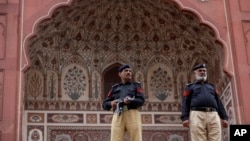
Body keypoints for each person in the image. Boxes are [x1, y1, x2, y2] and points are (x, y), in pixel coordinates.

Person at [180, 64, 229, 141]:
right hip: (197, 114)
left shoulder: (212, 87)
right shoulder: (190, 87)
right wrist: (184, 118)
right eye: (200, 71)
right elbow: (185, 103)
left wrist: (224, 117)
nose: (202, 72)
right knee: (198, 138)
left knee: (216, 138)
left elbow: (218, 102)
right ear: (195, 73)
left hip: (213, 114)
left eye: (204, 71)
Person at [102, 64, 145, 141]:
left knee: (136, 138)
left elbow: (141, 100)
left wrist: (130, 101)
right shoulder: (115, 88)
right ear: (120, 74)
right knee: (115, 138)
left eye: (130, 71)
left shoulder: (136, 86)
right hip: (118, 114)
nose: (128, 72)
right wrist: (111, 103)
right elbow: (104, 104)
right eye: (126, 71)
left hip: (132, 113)